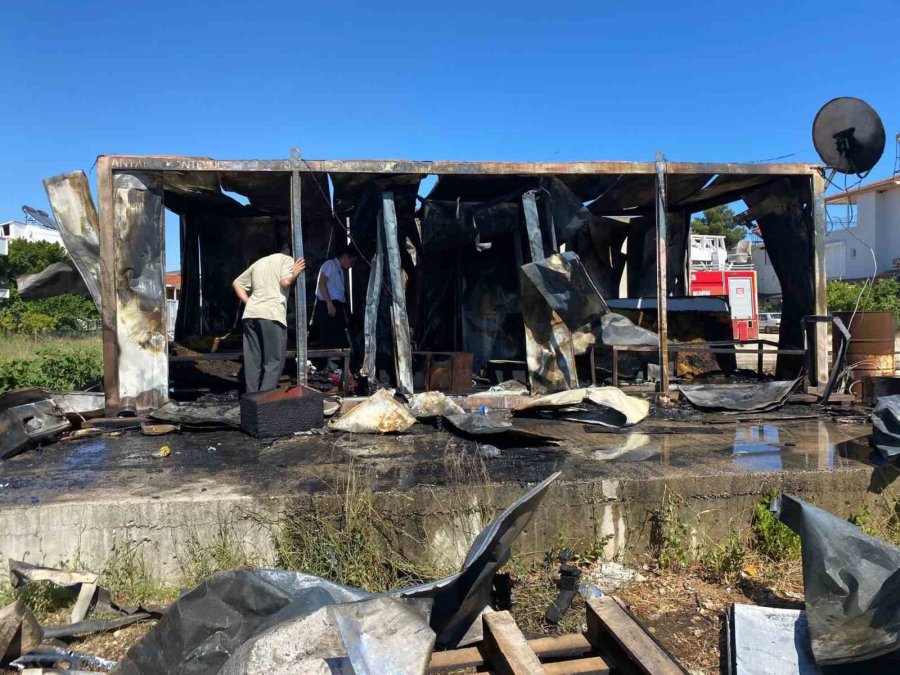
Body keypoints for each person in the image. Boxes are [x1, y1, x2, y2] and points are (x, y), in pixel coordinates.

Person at [232, 245, 305, 393]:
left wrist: (249, 302)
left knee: (253, 361)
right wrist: (295, 273)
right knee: (274, 362)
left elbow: (237, 283)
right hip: (271, 314)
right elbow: (285, 282)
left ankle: (251, 399)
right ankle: (264, 400)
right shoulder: (287, 260)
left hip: (251, 314)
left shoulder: (259, 263)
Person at [315, 246, 359, 348]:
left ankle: (338, 362)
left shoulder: (340, 270)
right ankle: (329, 362)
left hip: (337, 306)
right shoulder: (330, 265)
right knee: (329, 339)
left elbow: (339, 295)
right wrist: (329, 303)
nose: (352, 265)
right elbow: (321, 284)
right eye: (352, 261)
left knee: (340, 339)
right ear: (346, 257)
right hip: (328, 305)